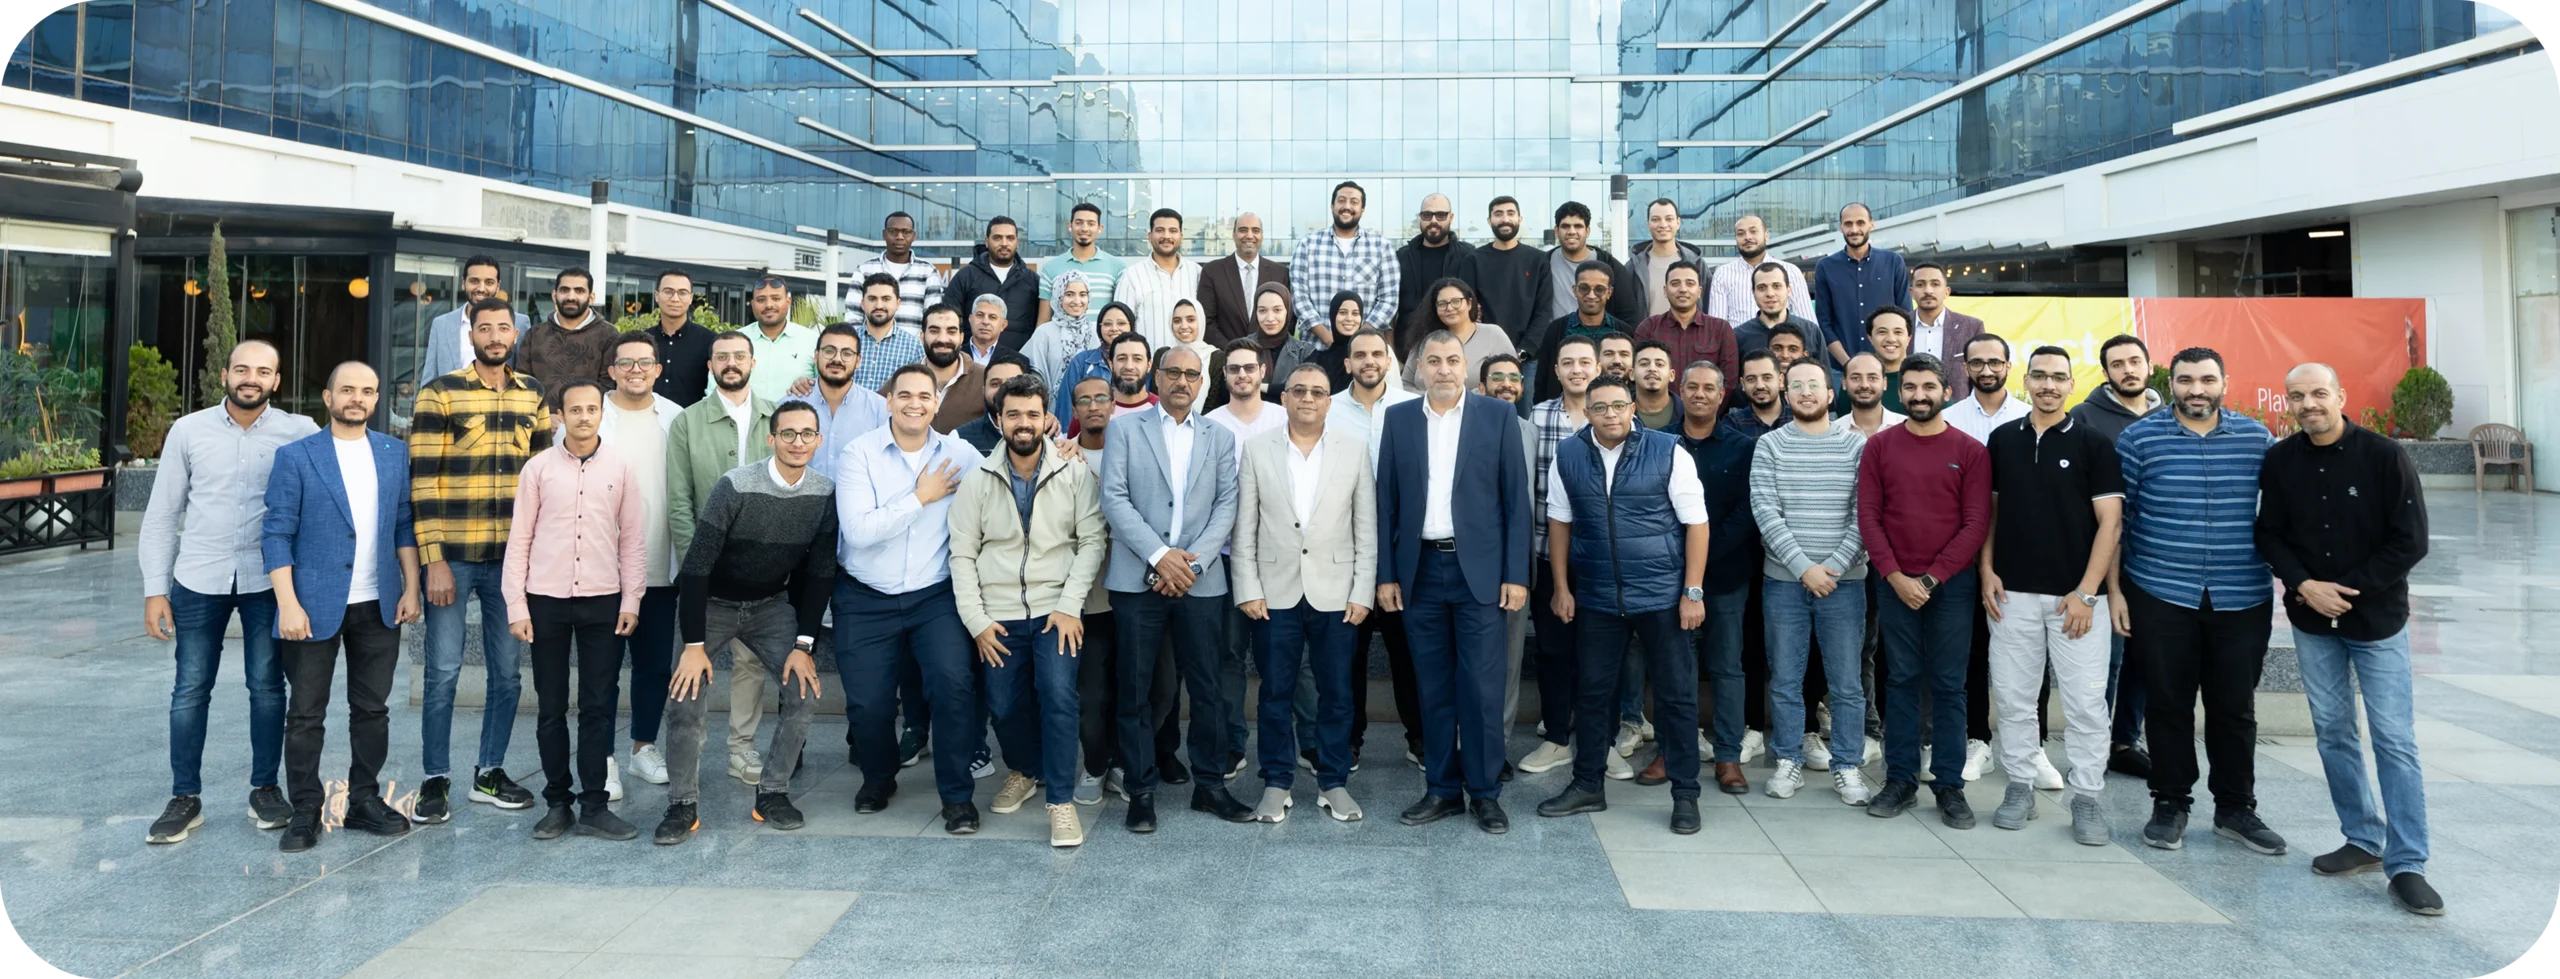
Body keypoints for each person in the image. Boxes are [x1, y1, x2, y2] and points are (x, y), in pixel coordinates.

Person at [2256, 363, 2440, 915]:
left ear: (2340, 395)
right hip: (2313, 620)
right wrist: (2306, 586)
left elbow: (2410, 540)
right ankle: (2361, 838)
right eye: (2297, 396)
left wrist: (2348, 591)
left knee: (2393, 740)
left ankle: (2407, 863)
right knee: (2334, 734)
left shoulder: (2385, 456)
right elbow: (2269, 534)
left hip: (2377, 621)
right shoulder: (2280, 460)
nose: (2308, 404)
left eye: (2318, 393)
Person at [140, 339, 319, 845]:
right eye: (242, 369)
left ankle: (265, 789)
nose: (251, 379)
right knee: (190, 688)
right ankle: (184, 797)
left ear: (277, 380)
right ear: (224, 375)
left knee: (267, 687)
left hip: (268, 580)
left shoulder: (300, 431)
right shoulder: (188, 430)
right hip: (199, 577)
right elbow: (161, 515)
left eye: (262, 371)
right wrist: (155, 590)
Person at [2117, 347, 2285, 856]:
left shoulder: (2257, 439)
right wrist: (2115, 591)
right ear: (2171, 383)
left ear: (2224, 383)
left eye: (2207, 380)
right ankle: (2170, 802)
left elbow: (2281, 514)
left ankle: (2236, 808)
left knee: (2235, 707)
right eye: (2186, 380)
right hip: (2160, 591)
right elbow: (2116, 521)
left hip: (2242, 595)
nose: (2196, 389)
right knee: (2167, 704)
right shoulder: (2139, 439)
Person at [1532, 374, 1711, 834]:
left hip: (1661, 596)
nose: (1610, 414)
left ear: (1633, 408)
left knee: (1676, 696)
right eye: (1600, 407)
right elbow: (1559, 521)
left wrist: (1692, 591)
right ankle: (1587, 784)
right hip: (1597, 595)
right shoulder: (1569, 454)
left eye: (1618, 406)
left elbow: (1697, 523)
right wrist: (1561, 587)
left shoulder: (1668, 451)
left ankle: (1685, 794)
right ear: (1587, 411)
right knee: (1592, 694)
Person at [654, 400, 838, 845]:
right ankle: (681, 804)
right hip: (712, 603)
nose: (797, 442)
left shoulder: (823, 492)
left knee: (804, 691)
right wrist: (693, 646)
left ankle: (772, 792)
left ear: (818, 440)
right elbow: (696, 566)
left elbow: (820, 573)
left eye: (807, 434)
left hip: (769, 605)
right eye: (788, 433)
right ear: (771, 439)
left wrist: (804, 644)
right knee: (685, 697)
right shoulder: (735, 485)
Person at [1378, 331, 1533, 834]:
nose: (1443, 369)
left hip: (1480, 575)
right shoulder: (1399, 419)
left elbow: (1516, 502)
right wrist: (1386, 575)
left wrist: (1515, 575)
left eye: (1452, 360)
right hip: (1420, 572)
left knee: (1482, 689)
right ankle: (1442, 789)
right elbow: (1386, 503)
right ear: (1420, 368)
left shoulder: (1497, 416)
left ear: (1465, 367)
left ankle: (1485, 792)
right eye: (1434, 360)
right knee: (1433, 686)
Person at [261, 362, 419, 852]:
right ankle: (306, 808)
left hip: (379, 603)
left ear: (377, 399)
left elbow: (403, 524)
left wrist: (411, 587)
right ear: (327, 397)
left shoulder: (394, 452)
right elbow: (276, 533)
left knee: (372, 710)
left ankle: (364, 800)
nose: (357, 398)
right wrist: (287, 603)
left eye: (367, 391)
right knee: (306, 714)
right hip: (312, 606)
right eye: (347, 390)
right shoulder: (297, 456)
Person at [1096, 345, 1256, 831]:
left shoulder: (1219, 436)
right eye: (1174, 372)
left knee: (1208, 687)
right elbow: (1114, 498)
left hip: (1200, 581)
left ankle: (1210, 785)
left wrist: (1192, 562)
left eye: (1192, 374)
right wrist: (1160, 556)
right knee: (1136, 688)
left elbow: (1227, 505)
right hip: (1137, 578)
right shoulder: (1125, 429)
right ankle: (1140, 790)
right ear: (1157, 377)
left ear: (1202, 382)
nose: (1182, 381)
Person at [949, 376, 1107, 847]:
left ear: (1046, 418)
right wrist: (977, 622)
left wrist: (1070, 606)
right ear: (998, 419)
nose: (1023, 423)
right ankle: (1024, 769)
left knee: (1059, 696)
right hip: (997, 615)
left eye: (1032, 414)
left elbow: (1092, 541)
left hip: (1056, 610)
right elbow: (961, 553)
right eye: (1013, 414)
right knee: (1002, 705)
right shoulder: (978, 479)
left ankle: (1060, 801)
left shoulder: (1073, 472)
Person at [410, 300, 551, 822]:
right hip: (453, 556)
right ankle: (435, 779)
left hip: (511, 561)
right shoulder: (440, 392)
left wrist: (536, 558)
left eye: (503, 328)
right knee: (443, 672)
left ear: (515, 335)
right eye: (484, 328)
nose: (494, 336)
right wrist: (433, 560)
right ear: (469, 334)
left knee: (508, 676)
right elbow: (422, 481)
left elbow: (543, 480)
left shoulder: (533, 393)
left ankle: (489, 772)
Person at [835, 364, 988, 834]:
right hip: (866, 596)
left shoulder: (961, 454)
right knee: (869, 704)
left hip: (934, 596)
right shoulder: (858, 454)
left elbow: (1005, 473)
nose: (914, 404)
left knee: (953, 685)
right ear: (889, 401)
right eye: (905, 395)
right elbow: (858, 532)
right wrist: (921, 497)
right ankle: (879, 777)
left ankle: (957, 797)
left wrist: (1063, 445)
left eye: (925, 396)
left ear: (937, 404)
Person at [1979, 346, 2122, 842]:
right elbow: (1990, 514)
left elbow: (2110, 524)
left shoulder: (2094, 443)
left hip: (2076, 601)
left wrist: (2087, 592)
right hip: (2011, 596)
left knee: (2085, 704)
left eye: (2058, 377)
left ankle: (2087, 798)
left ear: (2071, 384)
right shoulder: (2002, 440)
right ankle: (2019, 785)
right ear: (2026, 380)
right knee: (2014, 698)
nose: (2048, 385)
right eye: (2039, 376)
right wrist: (1986, 570)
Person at [501, 380, 648, 841]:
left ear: (602, 413)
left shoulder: (621, 466)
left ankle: (595, 806)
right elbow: (520, 539)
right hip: (545, 600)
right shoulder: (538, 469)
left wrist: (632, 599)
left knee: (598, 706)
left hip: (603, 600)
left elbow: (633, 539)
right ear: (559, 415)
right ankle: (557, 804)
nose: (584, 417)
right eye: (575, 410)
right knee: (550, 706)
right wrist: (516, 605)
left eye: (592, 409)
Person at [1232, 362, 1379, 823]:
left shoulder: (1353, 450)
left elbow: (1366, 528)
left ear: (1329, 402)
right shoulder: (1257, 449)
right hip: (1273, 592)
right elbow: (1244, 527)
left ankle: (1333, 782)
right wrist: (1248, 587)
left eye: (1317, 392)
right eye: (1299, 391)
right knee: (1275, 692)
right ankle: (1277, 782)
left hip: (1337, 592)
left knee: (1337, 693)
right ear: (1284, 399)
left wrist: (1363, 591)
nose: (1308, 398)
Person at [1857, 353, 1990, 828]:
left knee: (1950, 684)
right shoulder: (1880, 447)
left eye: (1928, 387)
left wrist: (1932, 579)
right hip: (1894, 583)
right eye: (1910, 387)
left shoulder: (1970, 450)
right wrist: (1896, 576)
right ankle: (1900, 779)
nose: (1919, 395)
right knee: (1901, 680)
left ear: (1946, 392)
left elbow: (1976, 524)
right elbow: (1869, 516)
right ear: (1900, 393)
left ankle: (1949, 786)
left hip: (1951, 587)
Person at [1749, 360, 1874, 806]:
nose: (1805, 392)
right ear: (1786, 394)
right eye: (1796, 385)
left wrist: (1832, 568)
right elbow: (1765, 511)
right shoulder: (1770, 445)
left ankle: (1847, 765)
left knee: (1846, 683)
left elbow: (1866, 513)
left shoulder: (1857, 445)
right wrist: (1804, 568)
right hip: (1784, 582)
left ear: (1830, 393)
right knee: (1785, 678)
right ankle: (1788, 759)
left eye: (1814, 385)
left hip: (1845, 583)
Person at [1060, 376, 1180, 806]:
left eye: (1101, 398)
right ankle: (1096, 765)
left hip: (1141, 589)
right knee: (1093, 695)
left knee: (1160, 688)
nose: (1094, 406)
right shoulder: (1061, 458)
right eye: (1084, 400)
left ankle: (1127, 762)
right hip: (1090, 598)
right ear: (1074, 409)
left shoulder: (1139, 448)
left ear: (1114, 404)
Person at [667, 331, 778, 785]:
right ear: (710, 366)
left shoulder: (775, 415)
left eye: (739, 356)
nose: (731, 363)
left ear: (753, 362)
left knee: (751, 663)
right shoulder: (687, 422)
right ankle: (687, 752)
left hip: (762, 568)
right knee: (693, 662)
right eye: (722, 357)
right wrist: (695, 566)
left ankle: (741, 749)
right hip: (705, 568)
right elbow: (679, 501)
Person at [1324, 328, 1421, 762]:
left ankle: (1420, 738)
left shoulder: (1411, 406)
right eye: (1359, 354)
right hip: (1346, 546)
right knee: (1349, 653)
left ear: (1388, 361)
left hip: (1403, 546)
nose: (1368, 361)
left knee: (1408, 651)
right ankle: (1350, 739)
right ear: (1347, 364)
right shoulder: (1329, 409)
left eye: (1376, 354)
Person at [2069, 333, 2162, 779]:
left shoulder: (2169, 416)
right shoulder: (2084, 418)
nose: (2128, 370)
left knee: (2143, 656)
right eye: (2118, 364)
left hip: (2157, 561)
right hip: (2103, 558)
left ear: (2149, 366)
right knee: (2106, 660)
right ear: (2105, 372)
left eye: (2135, 361)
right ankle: (2095, 743)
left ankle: (2126, 740)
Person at [596, 333, 686, 790]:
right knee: (603, 670)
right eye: (626, 362)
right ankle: (603, 759)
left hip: (657, 564)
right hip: (600, 569)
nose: (636, 370)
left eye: (644, 362)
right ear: (611, 370)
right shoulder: (591, 414)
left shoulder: (676, 417)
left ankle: (642, 749)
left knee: (654, 667)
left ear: (657, 370)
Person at [1943, 331, 2031, 786]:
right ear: (1965, 368)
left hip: (2020, 554)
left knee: (2028, 656)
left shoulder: (2030, 417)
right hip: (1961, 554)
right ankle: (1977, 739)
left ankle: (2032, 746)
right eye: (1977, 363)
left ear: (2009, 366)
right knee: (1972, 653)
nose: (1986, 370)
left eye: (1995, 362)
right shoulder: (1950, 419)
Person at [1663, 361, 1755, 795]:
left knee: (1727, 667)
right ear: (1680, 391)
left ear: (1722, 395)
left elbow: (1746, 513)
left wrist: (1701, 557)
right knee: (1674, 667)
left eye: (1709, 388)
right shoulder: (1661, 444)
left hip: (1726, 576)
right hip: (1670, 577)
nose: (1700, 394)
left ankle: (1728, 755)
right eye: (1692, 387)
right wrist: (1683, 563)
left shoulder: (1743, 447)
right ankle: (1671, 750)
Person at [1517, 336, 1603, 777]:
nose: (1576, 370)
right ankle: (1556, 738)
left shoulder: (1612, 413)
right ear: (1556, 370)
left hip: (1602, 556)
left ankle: (1601, 741)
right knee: (1552, 649)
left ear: (1598, 367)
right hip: (1547, 552)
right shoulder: (1539, 415)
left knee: (1599, 651)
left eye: (1585, 362)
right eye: (1568, 363)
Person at [1202, 338, 1286, 772]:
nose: (1242, 375)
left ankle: (1301, 745)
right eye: (1233, 369)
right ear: (1225, 375)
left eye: (1249, 368)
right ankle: (1233, 744)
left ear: (1262, 372)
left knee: (1286, 659)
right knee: (1229, 657)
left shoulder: (1283, 418)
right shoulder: (1210, 425)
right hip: (1225, 557)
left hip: (1278, 558)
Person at [1291, 181, 1402, 339]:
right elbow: (1299, 297)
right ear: (1332, 206)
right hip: (1315, 346)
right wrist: (1329, 339)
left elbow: (1389, 299)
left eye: (1354, 202)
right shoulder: (1308, 245)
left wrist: (1359, 339)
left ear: (1362, 209)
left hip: (1365, 348)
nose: (1347, 206)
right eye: (1341, 201)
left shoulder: (1381, 246)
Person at [1811, 203, 1911, 367]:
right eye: (1848, 224)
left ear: (1871, 224)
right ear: (1840, 227)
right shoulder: (1825, 267)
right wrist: (1849, 364)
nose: (1854, 229)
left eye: (1860, 223)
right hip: (1840, 368)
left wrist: (1893, 362)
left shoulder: (1893, 262)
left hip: (1887, 367)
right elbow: (1824, 323)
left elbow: (1905, 317)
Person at [1633, 260, 1736, 406]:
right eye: (1675, 284)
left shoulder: (1720, 329)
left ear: (1699, 291)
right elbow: (1639, 375)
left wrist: (1709, 412)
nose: (1682, 289)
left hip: (1708, 414)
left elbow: (1729, 381)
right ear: (1665, 290)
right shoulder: (1649, 328)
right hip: (1660, 413)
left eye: (1690, 283)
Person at [419, 255, 529, 386]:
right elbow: (429, 379)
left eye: (489, 282)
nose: (481, 288)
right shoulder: (441, 324)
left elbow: (523, 378)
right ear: (463, 283)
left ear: (498, 286)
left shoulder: (519, 322)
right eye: (474, 281)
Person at [1531, 261, 1634, 401]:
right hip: (1565, 408)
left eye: (1599, 289)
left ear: (1609, 293)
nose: (1591, 295)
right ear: (1575, 290)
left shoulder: (1623, 331)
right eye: (1584, 288)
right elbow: (1542, 380)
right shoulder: (1556, 329)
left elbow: (1631, 376)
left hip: (1611, 407)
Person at [517, 267, 619, 407]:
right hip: (541, 419)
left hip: (590, 419)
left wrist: (575, 415)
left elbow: (610, 388)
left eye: (579, 291)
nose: (571, 297)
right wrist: (544, 416)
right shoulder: (535, 335)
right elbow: (522, 383)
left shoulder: (609, 336)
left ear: (591, 298)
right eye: (564, 290)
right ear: (554, 296)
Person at [1209, 282, 1318, 407]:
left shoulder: (1305, 352)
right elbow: (1227, 392)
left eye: (1277, 310)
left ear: (1288, 311)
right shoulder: (1240, 349)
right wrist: (1279, 390)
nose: (1270, 318)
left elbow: (1305, 391)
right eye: (1262, 311)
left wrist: (1258, 387)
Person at [1539, 201, 1645, 329]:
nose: (1571, 231)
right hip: (1557, 338)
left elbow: (1628, 314)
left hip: (1600, 338)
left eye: (1578, 226)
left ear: (1588, 231)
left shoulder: (1611, 266)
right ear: (1556, 230)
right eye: (1565, 226)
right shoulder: (1543, 264)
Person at [1399, 277, 1514, 394]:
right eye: (1442, 304)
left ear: (1469, 303)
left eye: (1456, 302)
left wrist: (1455, 400)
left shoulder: (1493, 335)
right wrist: (1431, 399)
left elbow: (1510, 379)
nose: (1449, 308)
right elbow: (1405, 383)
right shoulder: (1425, 337)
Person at [806, 323, 890, 481]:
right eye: (829, 351)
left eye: (846, 353)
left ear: (858, 360)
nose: (837, 359)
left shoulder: (880, 410)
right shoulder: (791, 405)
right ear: (816, 356)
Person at [944, 216, 1040, 352]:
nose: (1004, 243)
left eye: (1010, 238)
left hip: (1020, 360)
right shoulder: (965, 276)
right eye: (997, 238)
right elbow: (949, 319)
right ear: (987, 241)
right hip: (972, 359)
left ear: (1017, 242)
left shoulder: (1032, 280)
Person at [1396, 193, 1478, 350]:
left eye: (1441, 215)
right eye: (1427, 215)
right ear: (1420, 217)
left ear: (1451, 217)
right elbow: (1392, 308)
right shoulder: (1402, 257)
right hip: (1408, 348)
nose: (1433, 220)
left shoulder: (1468, 255)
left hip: (1457, 347)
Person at [1116, 208, 1204, 350]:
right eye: (1160, 230)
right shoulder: (1131, 276)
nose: (1166, 236)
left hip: (1191, 360)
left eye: (1173, 231)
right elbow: (1120, 326)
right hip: (1149, 361)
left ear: (1181, 236)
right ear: (1150, 236)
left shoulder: (1197, 273)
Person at [1197, 213, 1290, 346]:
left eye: (1255, 230)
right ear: (1233, 235)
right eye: (1243, 230)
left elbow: (1288, 319)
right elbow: (1206, 320)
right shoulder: (1212, 271)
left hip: (1269, 354)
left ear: (1262, 235)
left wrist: (1267, 351)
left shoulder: (1280, 273)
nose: (1249, 235)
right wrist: (1234, 352)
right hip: (1225, 354)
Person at [1468, 195, 1549, 346]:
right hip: (1486, 348)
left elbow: (1543, 311)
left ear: (1520, 219)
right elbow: (1468, 308)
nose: (1505, 219)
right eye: (1498, 214)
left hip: (1528, 352)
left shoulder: (1538, 260)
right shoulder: (1473, 260)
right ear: (1489, 220)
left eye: (1510, 213)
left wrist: (1525, 350)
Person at [1732, 262, 1827, 388]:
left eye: (1776, 286)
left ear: (1788, 290)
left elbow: (1826, 383)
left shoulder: (1811, 331)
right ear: (1753, 293)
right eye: (1762, 288)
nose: (1770, 293)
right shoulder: (1738, 336)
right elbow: (1734, 386)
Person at [1706, 216, 1812, 329]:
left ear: (1766, 235)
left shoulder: (1791, 271)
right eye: (1741, 234)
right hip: (1738, 340)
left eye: (1753, 231)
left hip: (1781, 338)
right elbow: (1716, 327)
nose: (1747, 237)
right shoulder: (1723, 274)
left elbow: (1808, 322)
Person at [853, 211, 947, 335]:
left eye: (906, 232)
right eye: (893, 232)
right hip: (871, 345)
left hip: (914, 346)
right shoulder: (865, 270)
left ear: (913, 236)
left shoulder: (927, 272)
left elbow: (933, 318)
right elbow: (853, 315)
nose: (900, 237)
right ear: (884, 234)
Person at [731, 277, 821, 402]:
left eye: (776, 298)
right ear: (753, 305)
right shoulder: (734, 341)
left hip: (797, 414)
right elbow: (716, 389)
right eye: (761, 300)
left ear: (788, 302)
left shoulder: (812, 340)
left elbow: (825, 387)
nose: (769, 305)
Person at [1051, 301, 1140, 421]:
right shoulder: (1081, 362)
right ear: (1099, 328)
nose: (1114, 328)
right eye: (1107, 324)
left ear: (1132, 327)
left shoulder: (1141, 361)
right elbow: (1066, 409)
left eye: (1121, 323)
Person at [1038, 202, 1127, 323]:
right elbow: (1044, 319)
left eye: (1091, 223)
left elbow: (1122, 315)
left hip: (1101, 335)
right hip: (1060, 335)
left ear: (1100, 228)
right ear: (1070, 226)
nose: (1084, 228)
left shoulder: (1118, 267)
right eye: (1079, 223)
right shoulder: (1050, 268)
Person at [642, 269, 718, 407]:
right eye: (668, 292)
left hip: (693, 419)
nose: (675, 299)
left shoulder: (711, 342)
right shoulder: (642, 341)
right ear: (657, 296)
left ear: (690, 298)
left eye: (682, 293)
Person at [917, 304, 990, 434]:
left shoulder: (987, 379)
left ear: (961, 338)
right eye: (934, 331)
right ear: (922, 337)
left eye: (951, 332)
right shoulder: (903, 380)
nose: (943, 339)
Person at [1022, 271, 1099, 391]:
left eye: (1083, 294)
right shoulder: (1044, 332)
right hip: (1051, 401)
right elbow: (1033, 373)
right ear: (1058, 296)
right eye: (1069, 294)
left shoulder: (1096, 331)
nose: (1077, 301)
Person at [1627, 199, 1703, 318]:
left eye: (1669, 219)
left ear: (1678, 222)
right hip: (1646, 330)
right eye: (1655, 219)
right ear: (1648, 224)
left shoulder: (1696, 263)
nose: (1663, 225)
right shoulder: (1633, 267)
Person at [850, 273, 926, 393]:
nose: (879, 305)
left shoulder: (913, 347)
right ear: (863, 304)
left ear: (898, 304)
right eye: (872, 299)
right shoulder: (848, 341)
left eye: (886, 299)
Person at [1832, 306, 1912, 415]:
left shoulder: (1921, 376)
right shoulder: (1856, 379)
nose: (1890, 339)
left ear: (1909, 338)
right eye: (1882, 332)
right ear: (1870, 338)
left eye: (1898, 332)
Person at [954, 353, 1034, 453]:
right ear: (983, 391)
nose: (1003, 389)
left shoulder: (1047, 432)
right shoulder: (960, 439)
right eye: (995, 384)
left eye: (1013, 383)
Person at [1905, 263, 1983, 363]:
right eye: (1920, 285)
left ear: (1947, 292)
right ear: (1911, 293)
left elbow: (1981, 366)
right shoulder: (1900, 325)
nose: (1928, 291)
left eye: (1935, 284)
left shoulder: (1972, 327)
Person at [1839, 353, 1908, 435]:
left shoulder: (1907, 428)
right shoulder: (1834, 431)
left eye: (1872, 378)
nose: (1864, 385)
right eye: (1856, 378)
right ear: (1844, 383)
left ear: (1884, 383)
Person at [1724, 349, 1786, 438]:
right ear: (1743, 384)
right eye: (1751, 379)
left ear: (1780, 380)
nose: (1759, 386)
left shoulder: (1797, 418)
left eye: (1767, 378)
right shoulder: (1733, 423)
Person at [1629, 340, 1680, 430]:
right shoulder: (1619, 413)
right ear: (1632, 374)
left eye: (1659, 364)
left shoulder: (1687, 413)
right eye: (1644, 364)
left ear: (1671, 375)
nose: (1652, 369)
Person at [1166, 297, 1219, 370]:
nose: (1184, 326)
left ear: (1201, 322)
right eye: (1177, 321)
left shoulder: (1215, 357)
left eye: (1190, 320)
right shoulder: (1164, 354)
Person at [962, 295, 1009, 367]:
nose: (985, 322)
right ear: (970, 319)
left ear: (1003, 325)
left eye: (992, 317)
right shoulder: (954, 354)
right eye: (980, 315)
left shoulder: (1017, 361)